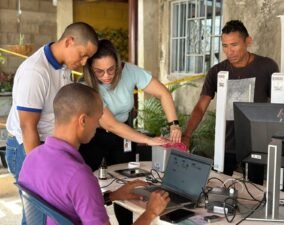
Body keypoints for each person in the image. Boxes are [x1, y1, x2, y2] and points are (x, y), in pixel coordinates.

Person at [18, 83, 170, 225]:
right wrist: (150, 212)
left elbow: (64, 203)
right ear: (83, 120)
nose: (98, 126)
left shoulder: (32, 157)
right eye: (97, 120)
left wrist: (111, 197)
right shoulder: (78, 175)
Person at [79, 39, 181, 225]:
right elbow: (110, 125)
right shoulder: (87, 85)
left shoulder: (130, 71)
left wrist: (174, 124)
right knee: (87, 183)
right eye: (99, 71)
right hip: (94, 136)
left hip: (124, 133)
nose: (107, 76)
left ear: (119, 64)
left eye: (111, 69)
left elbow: (163, 93)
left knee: (125, 184)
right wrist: (148, 140)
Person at [5, 22, 98, 225]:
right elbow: (27, 126)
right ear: (69, 41)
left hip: (47, 147)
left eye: (87, 58)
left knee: (48, 213)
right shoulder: (36, 72)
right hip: (27, 146)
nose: (83, 62)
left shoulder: (63, 66)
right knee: (34, 214)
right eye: (82, 55)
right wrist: (42, 166)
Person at [182, 20, 279, 184]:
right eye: (225, 46)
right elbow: (200, 106)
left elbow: (275, 105)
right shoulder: (217, 71)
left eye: (234, 45)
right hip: (225, 142)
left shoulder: (267, 66)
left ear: (248, 41)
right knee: (219, 187)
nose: (229, 51)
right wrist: (187, 134)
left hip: (255, 143)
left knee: (254, 191)